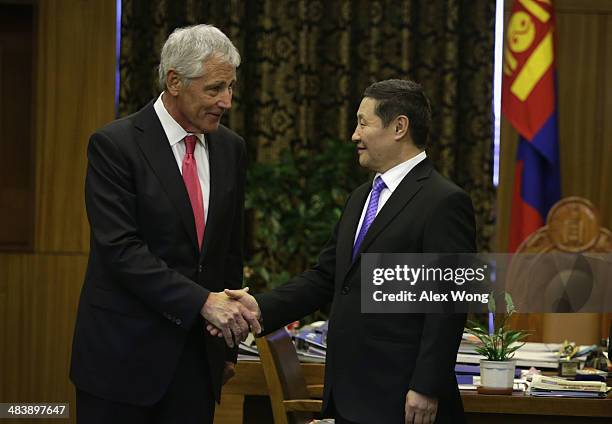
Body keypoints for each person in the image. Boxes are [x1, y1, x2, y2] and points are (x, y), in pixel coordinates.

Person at [214, 79, 476, 424]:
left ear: (399, 127)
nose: (354, 134)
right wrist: (259, 307)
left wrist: (426, 386)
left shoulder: (443, 202)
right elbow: (326, 277)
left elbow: (447, 305)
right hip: (349, 393)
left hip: (402, 398)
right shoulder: (360, 198)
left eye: (363, 123)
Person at [70, 24, 260, 424]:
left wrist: (225, 349)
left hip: (195, 364)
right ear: (174, 80)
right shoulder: (115, 145)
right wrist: (203, 303)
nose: (226, 101)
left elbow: (228, 251)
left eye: (230, 87)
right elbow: (121, 250)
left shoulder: (231, 148)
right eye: (214, 89)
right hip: (121, 361)